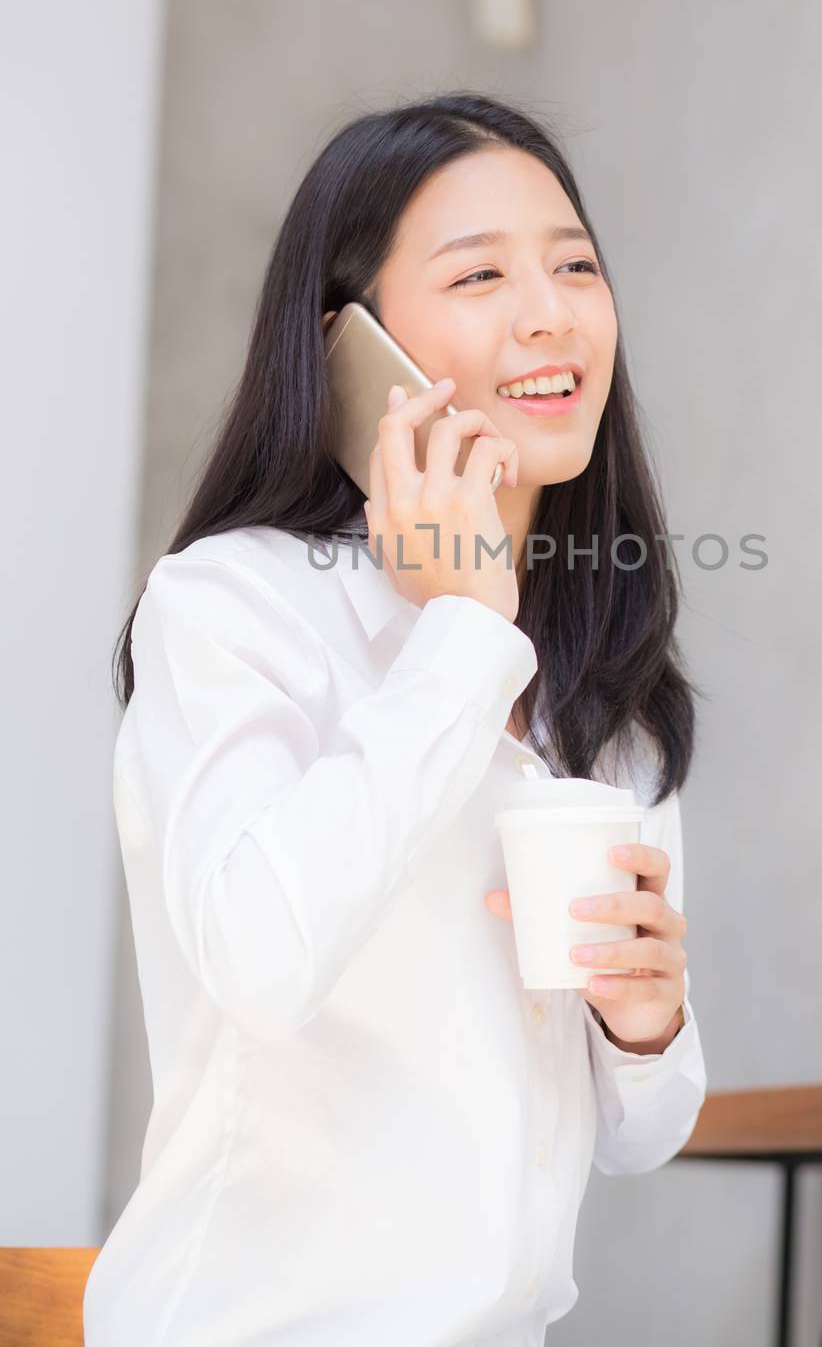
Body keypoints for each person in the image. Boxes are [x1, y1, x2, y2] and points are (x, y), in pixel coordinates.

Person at [85, 92, 708, 1346]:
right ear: (352, 347)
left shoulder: (603, 681)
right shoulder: (233, 605)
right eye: (479, 274)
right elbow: (261, 959)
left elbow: (643, 1133)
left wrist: (647, 1022)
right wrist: (464, 631)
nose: (550, 312)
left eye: (574, 264)